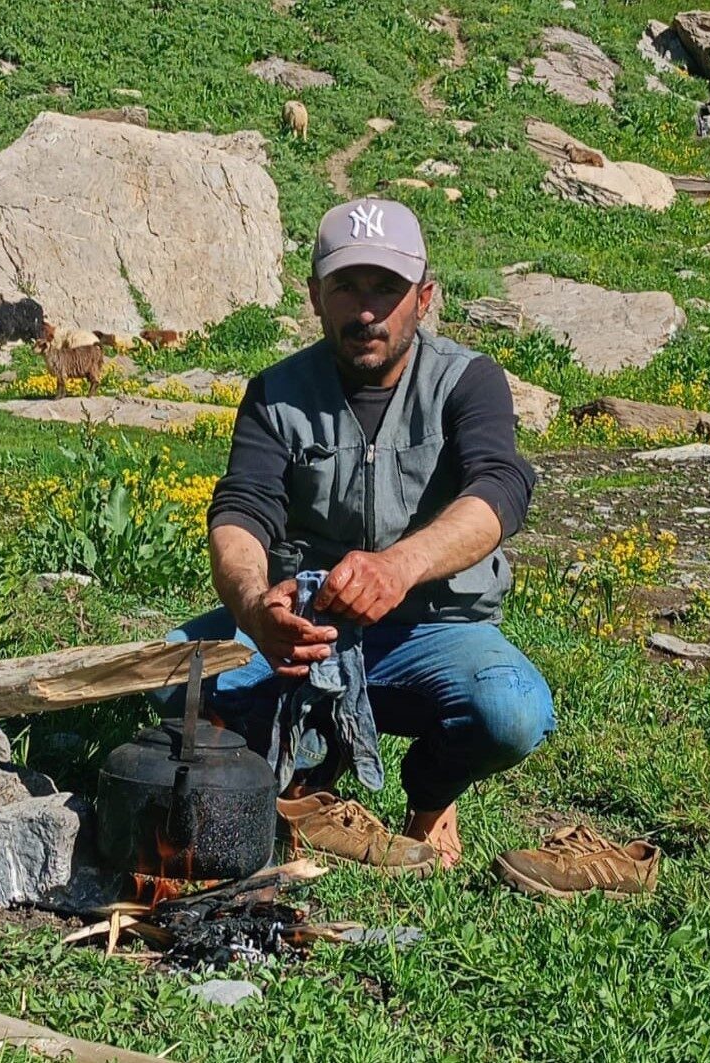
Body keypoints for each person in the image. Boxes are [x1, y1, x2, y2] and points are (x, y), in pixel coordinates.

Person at [158, 197, 555, 874]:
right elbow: (241, 510)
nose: (365, 310)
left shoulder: (468, 381)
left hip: (434, 630)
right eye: (346, 286)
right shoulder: (276, 394)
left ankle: (430, 798)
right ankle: (315, 770)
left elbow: (499, 491)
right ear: (315, 295)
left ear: (423, 298)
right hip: (310, 629)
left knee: (510, 710)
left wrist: (398, 567)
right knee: (173, 675)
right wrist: (256, 606)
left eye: (386, 288)